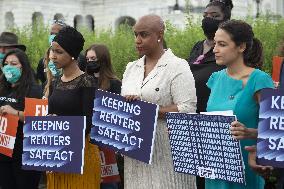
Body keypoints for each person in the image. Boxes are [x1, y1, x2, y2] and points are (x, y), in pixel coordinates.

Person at [121, 14, 197, 189]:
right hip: (135, 153)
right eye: (135, 35)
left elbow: (187, 109)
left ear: (160, 35)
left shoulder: (177, 66)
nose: (138, 40)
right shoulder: (131, 68)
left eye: (144, 34)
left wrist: (147, 110)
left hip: (166, 151)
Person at [205, 19, 274, 189]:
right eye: (215, 44)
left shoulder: (260, 79)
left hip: (247, 168)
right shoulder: (215, 79)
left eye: (222, 44)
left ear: (241, 47)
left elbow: (277, 129)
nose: (215, 50)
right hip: (216, 169)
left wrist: (250, 132)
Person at [46, 26, 100, 189]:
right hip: (58, 151)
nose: (53, 56)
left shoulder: (87, 81)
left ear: (72, 55)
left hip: (81, 153)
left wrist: (62, 124)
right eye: (52, 51)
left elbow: (90, 121)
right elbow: (51, 114)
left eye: (59, 52)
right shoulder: (55, 82)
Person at [0, 49, 42, 189]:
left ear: (22, 66)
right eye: (6, 63)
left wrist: (15, 113)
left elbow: (38, 121)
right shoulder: (2, 88)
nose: (8, 66)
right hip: (4, 152)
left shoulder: (34, 89)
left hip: (25, 153)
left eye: (13, 63)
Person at [85, 44, 122, 189]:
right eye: (87, 59)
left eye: (93, 58)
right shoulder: (84, 82)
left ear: (103, 59)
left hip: (106, 143)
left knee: (108, 184)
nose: (90, 62)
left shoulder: (115, 84)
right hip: (88, 141)